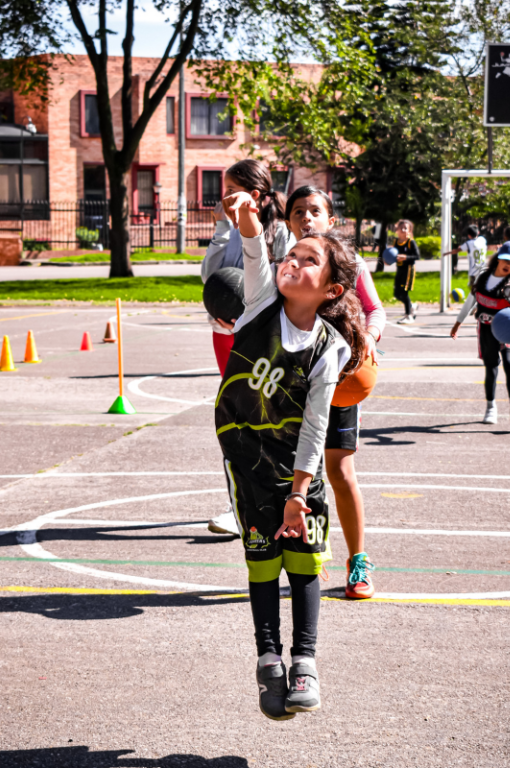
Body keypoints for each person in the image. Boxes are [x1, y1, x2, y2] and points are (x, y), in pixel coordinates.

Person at [217, 189, 365, 719]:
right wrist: (248, 224)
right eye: (292, 254)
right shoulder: (258, 306)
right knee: (261, 563)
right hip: (248, 464)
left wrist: (300, 493)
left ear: (331, 290)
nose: (293, 263)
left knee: (303, 565)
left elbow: (316, 423)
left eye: (308, 261)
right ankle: (267, 657)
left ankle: (305, 659)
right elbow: (257, 256)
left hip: (299, 472)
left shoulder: (333, 348)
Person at [207, 186, 385, 599]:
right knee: (289, 469)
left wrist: (371, 337)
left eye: (315, 210)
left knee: (339, 471)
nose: (307, 217)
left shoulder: (347, 265)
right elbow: (254, 262)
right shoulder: (287, 269)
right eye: (298, 211)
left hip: (338, 378)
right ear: (289, 222)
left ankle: (358, 560)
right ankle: (300, 548)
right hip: (289, 388)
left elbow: (375, 309)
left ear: (331, 218)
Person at [201, 159, 295, 375]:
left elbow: (285, 288)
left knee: (257, 402)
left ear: (253, 195)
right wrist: (221, 228)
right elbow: (209, 276)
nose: (225, 196)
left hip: (260, 334)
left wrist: (245, 323)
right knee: (231, 400)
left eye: (231, 190)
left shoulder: (280, 232)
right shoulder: (230, 230)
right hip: (223, 331)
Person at [449, 241, 510, 426]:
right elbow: (470, 301)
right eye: (506, 260)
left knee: (509, 363)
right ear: (499, 258)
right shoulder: (482, 277)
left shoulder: (509, 285)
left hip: (506, 329)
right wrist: (458, 323)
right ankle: (491, 408)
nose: (508, 265)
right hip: (486, 329)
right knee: (491, 367)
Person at [392, 220, 419, 324]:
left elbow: (417, 256)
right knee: (396, 293)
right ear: (397, 229)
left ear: (409, 231)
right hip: (399, 270)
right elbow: (393, 256)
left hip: (408, 270)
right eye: (401, 228)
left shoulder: (410, 242)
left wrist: (406, 257)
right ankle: (412, 306)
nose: (403, 230)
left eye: (405, 228)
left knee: (404, 292)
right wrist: (388, 260)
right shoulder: (396, 242)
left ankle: (408, 316)